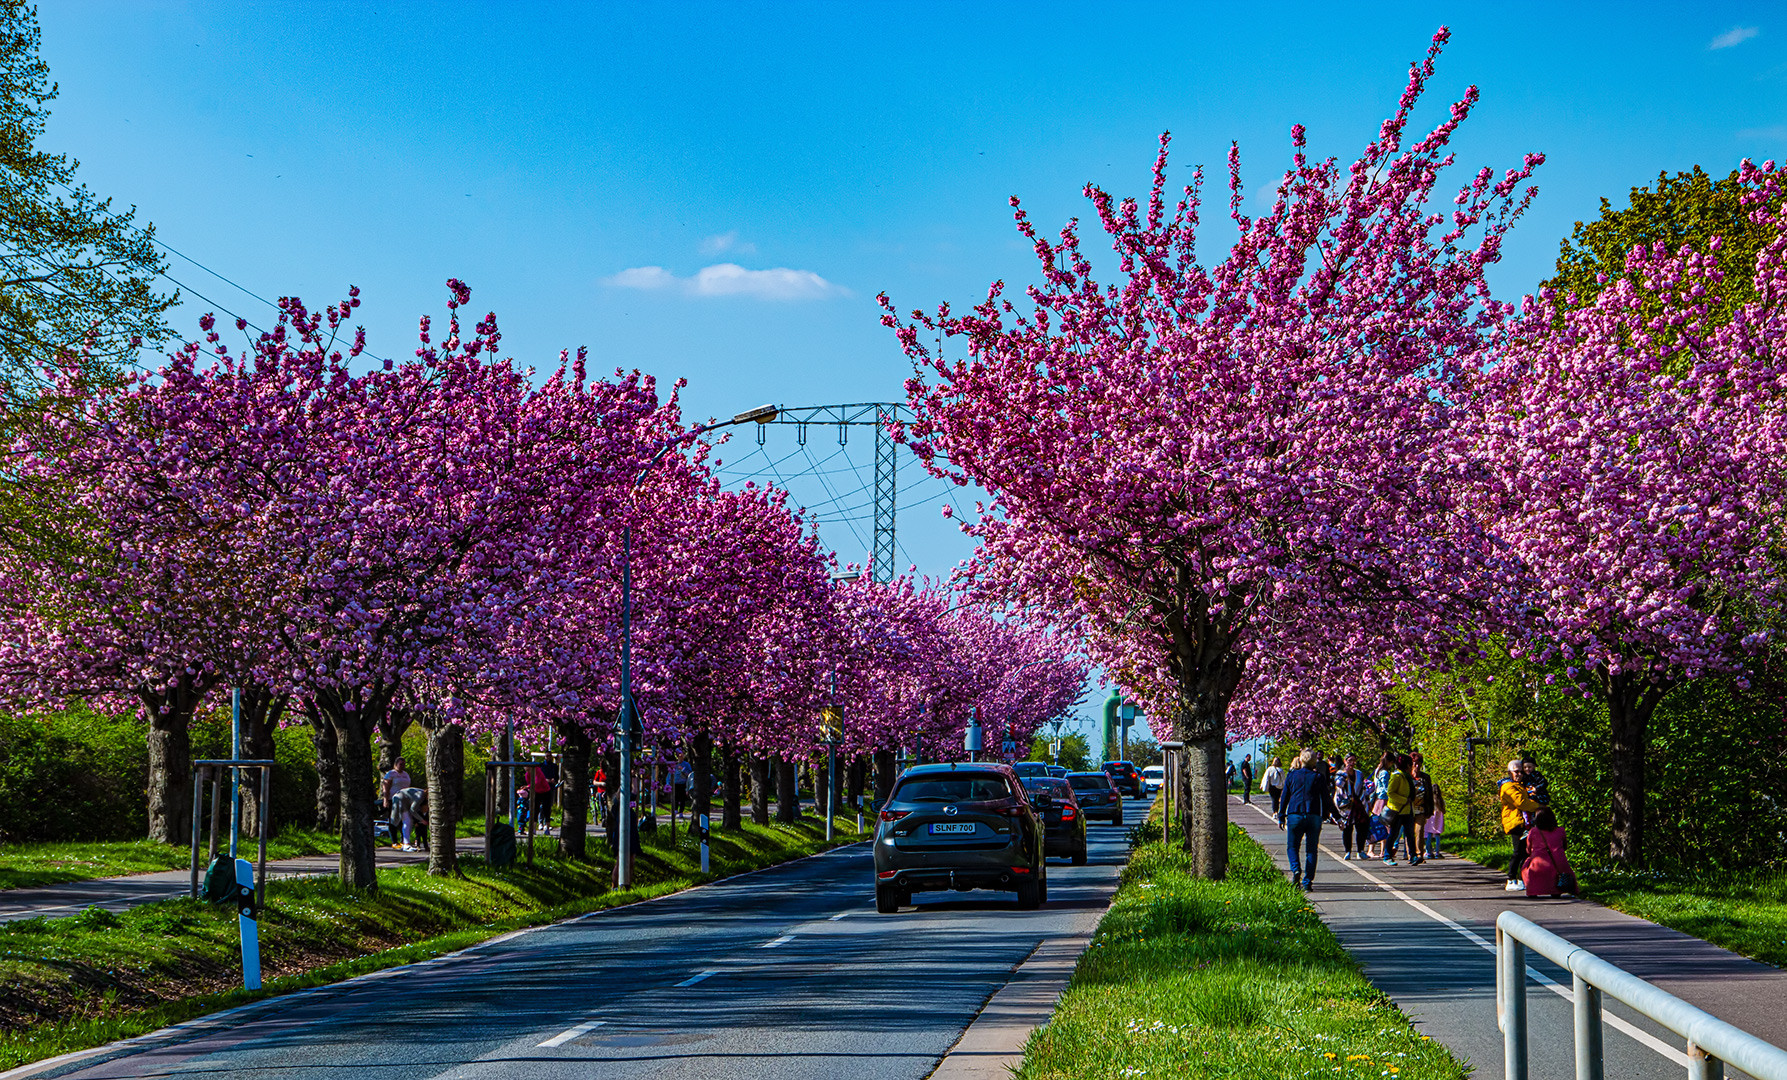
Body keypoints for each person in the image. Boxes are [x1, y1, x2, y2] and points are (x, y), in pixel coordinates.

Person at [1280, 748, 1336, 890]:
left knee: (1292, 846)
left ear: (1301, 759)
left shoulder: (1292, 776)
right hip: (1313, 814)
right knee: (1311, 850)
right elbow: (1326, 799)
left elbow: (1285, 797)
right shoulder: (1318, 777)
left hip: (1295, 814)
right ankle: (1307, 882)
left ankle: (1296, 869)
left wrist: (1281, 815)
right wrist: (1338, 816)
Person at [1499, 759, 1544, 892]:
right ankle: (1511, 879)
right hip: (1515, 823)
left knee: (1526, 852)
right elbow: (1521, 803)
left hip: (1524, 823)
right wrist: (1540, 807)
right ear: (1509, 772)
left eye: (1521, 772)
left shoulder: (1520, 785)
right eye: (1516, 771)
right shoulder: (1508, 787)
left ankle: (1522, 878)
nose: (1519, 774)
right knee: (1518, 852)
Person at [1521, 808, 1573, 897]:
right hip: (1558, 863)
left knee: (1525, 867)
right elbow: (1564, 847)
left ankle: (1533, 890)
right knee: (1559, 868)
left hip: (1539, 863)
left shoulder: (1533, 831)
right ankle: (1557, 890)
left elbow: (1528, 849)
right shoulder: (1560, 830)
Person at [1382, 753, 1420, 866]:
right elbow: (1390, 792)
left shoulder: (1407, 776)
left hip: (1407, 810)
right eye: (1411, 764)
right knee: (1394, 834)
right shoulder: (1397, 776)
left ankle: (1413, 856)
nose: (1412, 767)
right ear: (1407, 765)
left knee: (1410, 834)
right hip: (1397, 810)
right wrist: (1404, 800)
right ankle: (1387, 856)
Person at [1333, 753, 1369, 859]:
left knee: (1361, 827)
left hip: (1359, 803)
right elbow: (1339, 784)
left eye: (1354, 760)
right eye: (1349, 760)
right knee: (1347, 827)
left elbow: (1363, 787)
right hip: (1346, 804)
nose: (1352, 763)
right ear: (1345, 761)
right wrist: (1345, 774)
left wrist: (1368, 801)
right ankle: (1347, 851)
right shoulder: (1340, 773)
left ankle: (1360, 851)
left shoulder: (1359, 773)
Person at [389, 785, 427, 851]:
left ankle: (405, 843)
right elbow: (412, 810)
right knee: (408, 821)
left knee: (408, 821)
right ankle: (406, 844)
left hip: (403, 799)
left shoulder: (422, 794)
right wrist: (422, 820)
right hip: (401, 799)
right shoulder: (420, 796)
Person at [1410, 752, 1435, 854]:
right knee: (1410, 832)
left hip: (1421, 808)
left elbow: (1430, 794)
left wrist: (1430, 808)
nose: (1417, 766)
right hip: (1409, 809)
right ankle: (1411, 854)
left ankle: (1419, 853)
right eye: (1414, 763)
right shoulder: (1407, 777)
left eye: (1418, 763)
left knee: (1419, 831)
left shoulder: (1425, 777)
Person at [1423, 777, 1447, 859]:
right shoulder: (1441, 801)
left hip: (1430, 820)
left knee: (1429, 835)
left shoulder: (1430, 800)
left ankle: (1428, 852)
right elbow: (1444, 810)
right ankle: (1437, 852)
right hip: (1439, 820)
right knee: (1437, 835)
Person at [1263, 757, 1286, 821]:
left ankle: (1275, 812)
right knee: (1277, 799)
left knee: (1274, 799)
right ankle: (1276, 811)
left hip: (1272, 786)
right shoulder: (1281, 770)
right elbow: (1283, 779)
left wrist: (1264, 785)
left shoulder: (1270, 769)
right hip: (1279, 787)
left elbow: (1266, 778)